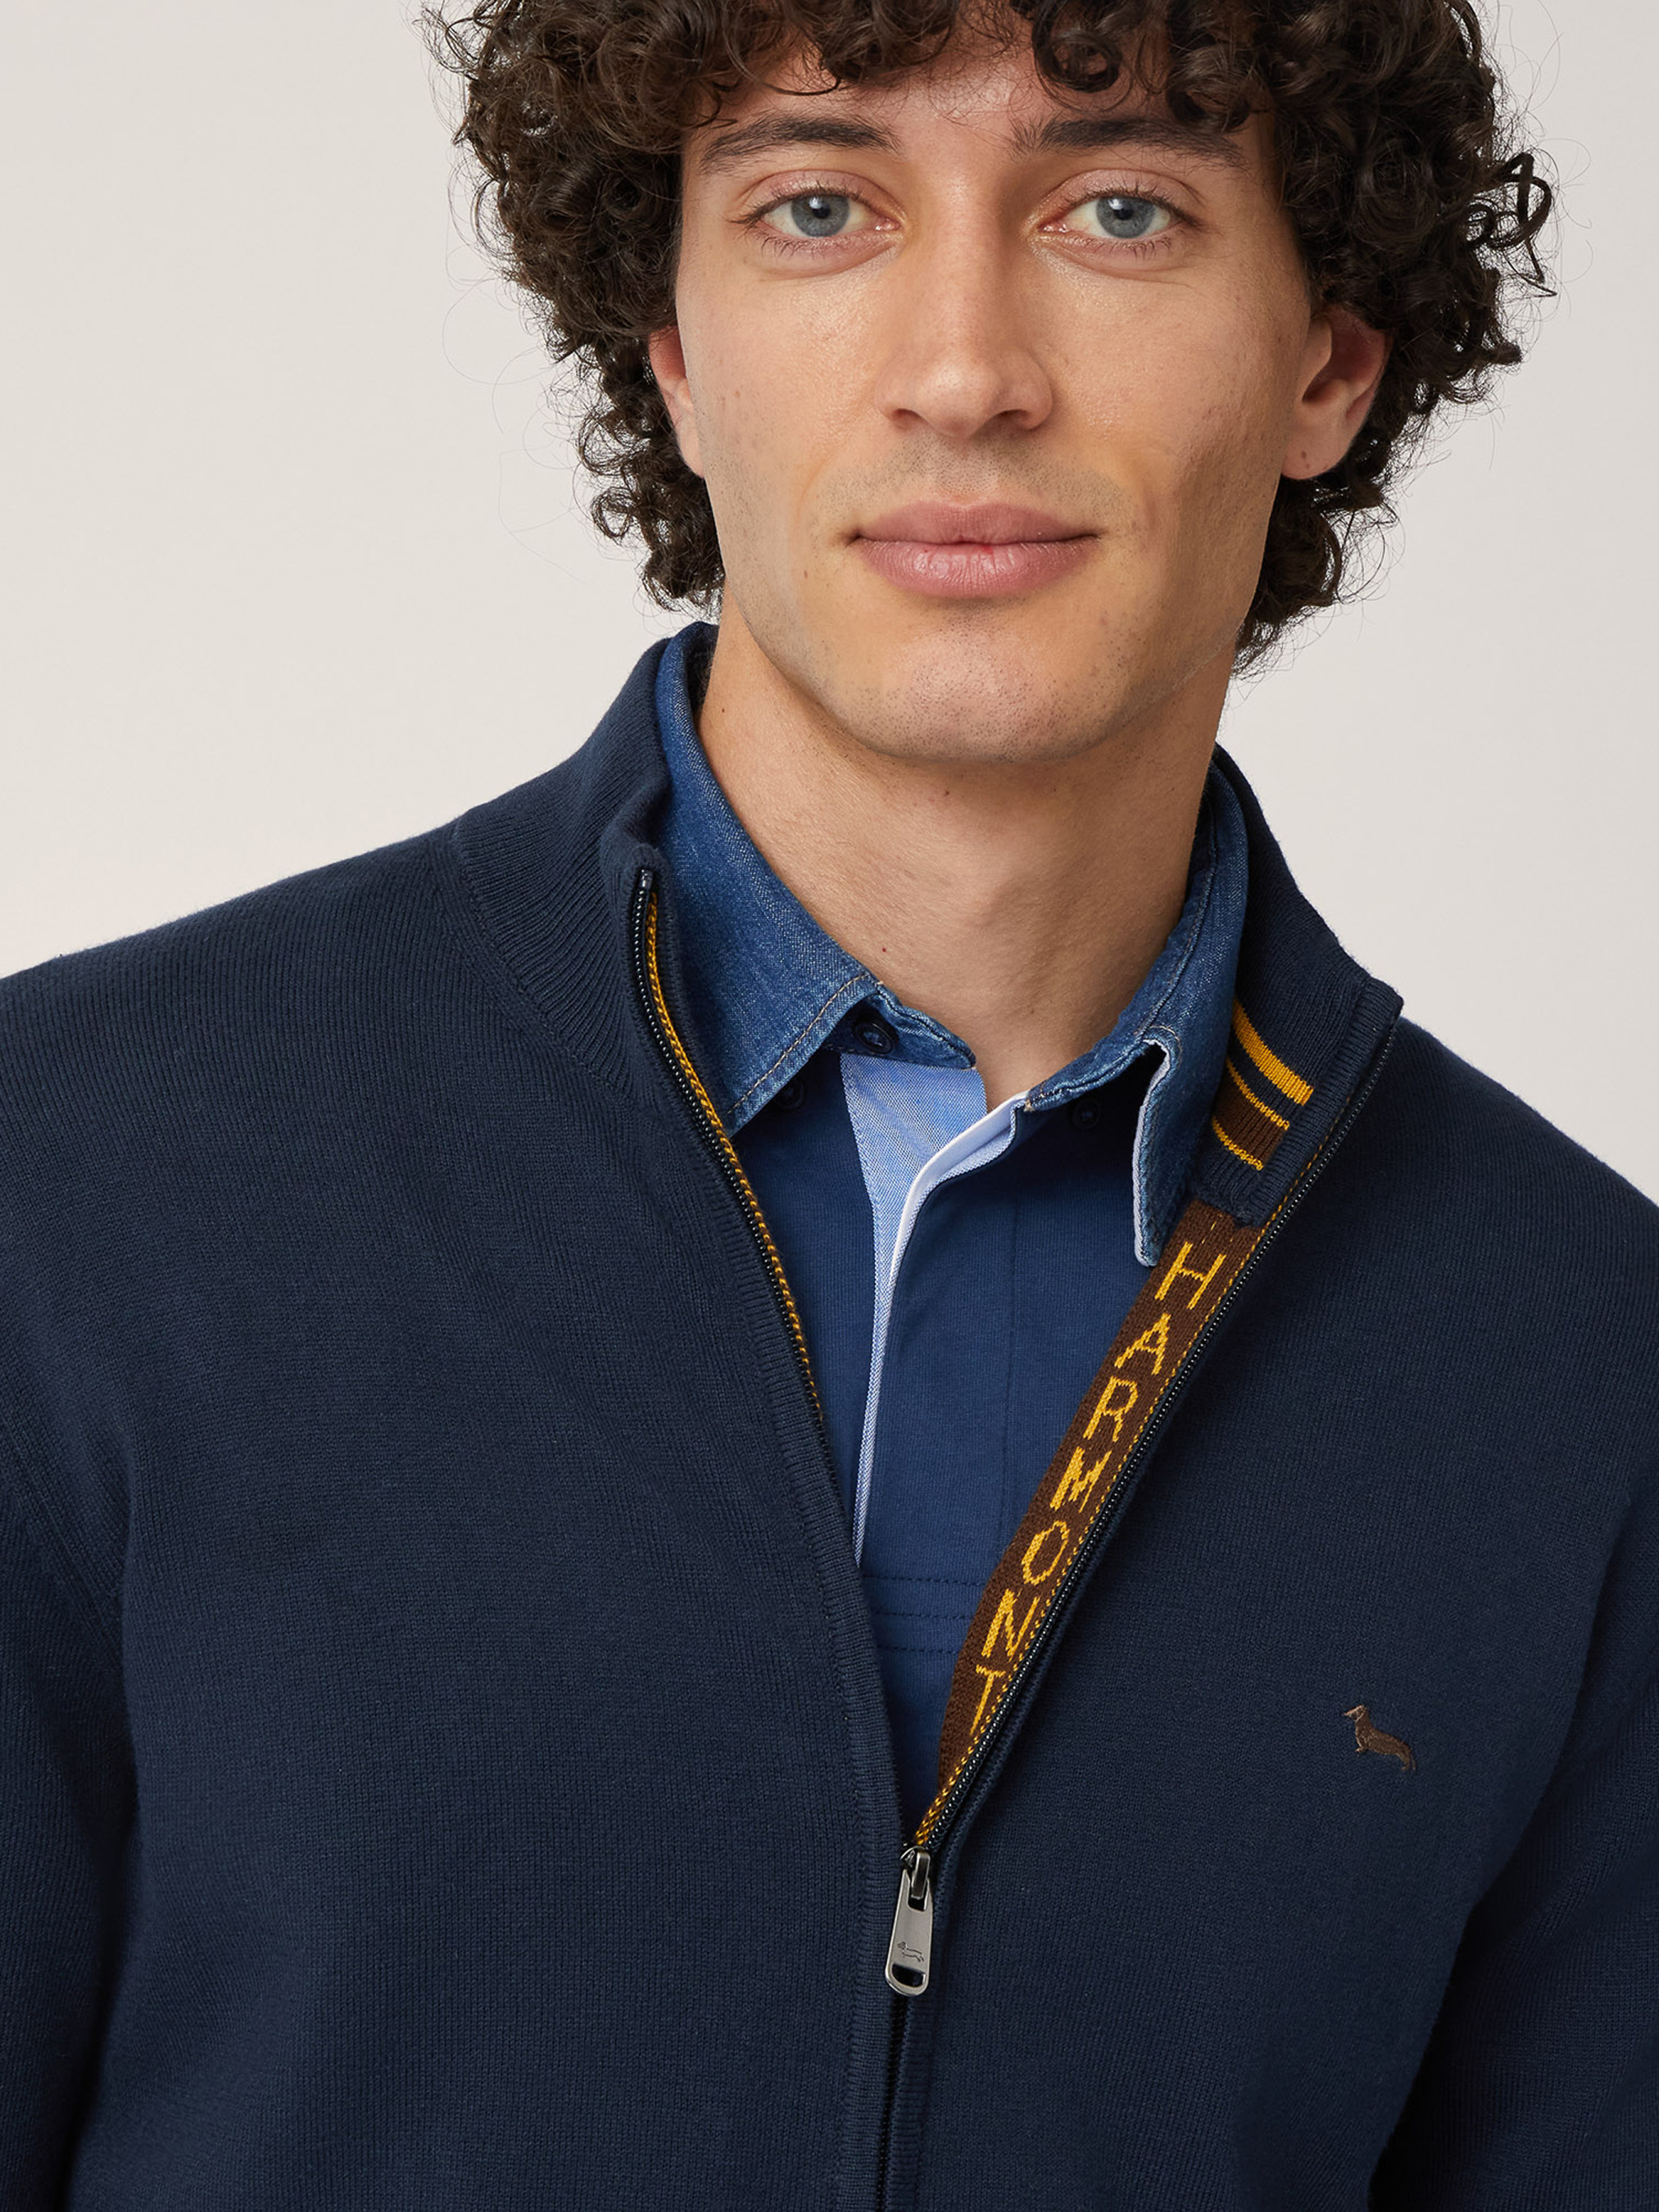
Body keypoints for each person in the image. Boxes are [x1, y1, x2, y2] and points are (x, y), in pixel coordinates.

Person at [2, 0, 1653, 2203]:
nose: (963, 371)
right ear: (675, 348)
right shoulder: (84, 1177)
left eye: (1118, 210)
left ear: (1326, 363)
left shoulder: (1580, 1363)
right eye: (816, 206)